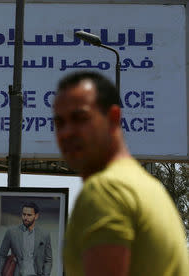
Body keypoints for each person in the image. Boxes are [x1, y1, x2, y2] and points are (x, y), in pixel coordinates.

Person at [53, 71, 189, 276]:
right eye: (59, 123)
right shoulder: (149, 188)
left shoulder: (106, 190)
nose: (66, 132)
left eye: (80, 118)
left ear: (113, 118)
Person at [0, 202, 52, 276]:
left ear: (36, 216)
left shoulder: (44, 234)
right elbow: (1, 256)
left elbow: (48, 260)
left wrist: (45, 274)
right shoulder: (11, 232)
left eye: (29, 215)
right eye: (24, 214)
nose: (25, 218)